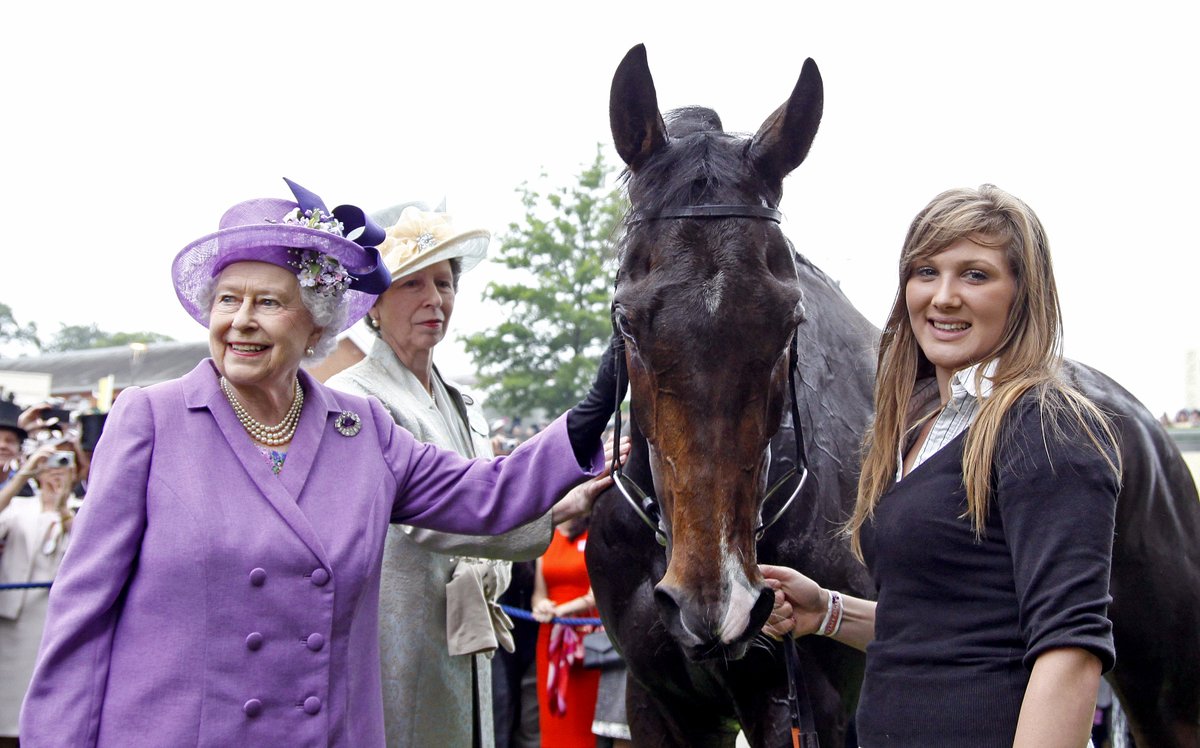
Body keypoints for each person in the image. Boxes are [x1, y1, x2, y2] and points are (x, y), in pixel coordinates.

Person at [18, 178, 623, 747]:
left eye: (269, 302)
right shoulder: (152, 420)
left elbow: (485, 496)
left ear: (316, 323)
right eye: (228, 299)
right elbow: (82, 617)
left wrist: (588, 415)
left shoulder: (363, 433)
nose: (241, 320)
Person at [763, 184, 1120, 747]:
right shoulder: (920, 431)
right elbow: (940, 627)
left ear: (1022, 294)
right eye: (925, 271)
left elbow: (1069, 649)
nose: (943, 296)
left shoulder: (1043, 427)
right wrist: (827, 612)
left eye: (975, 275)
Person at [326, 205, 624, 748]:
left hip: (465, 647)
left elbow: (487, 516)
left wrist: (567, 501)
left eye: (444, 282)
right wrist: (557, 505)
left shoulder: (465, 404)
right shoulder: (354, 399)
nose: (434, 299)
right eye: (412, 283)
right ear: (372, 305)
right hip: (394, 643)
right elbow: (442, 516)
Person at [0, 442, 76, 746]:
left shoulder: (82, 507)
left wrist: (62, 509)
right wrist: (21, 476)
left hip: (50, 621)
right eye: (49, 466)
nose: (54, 474)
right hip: (9, 621)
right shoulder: (18, 506)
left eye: (62, 466)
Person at [532, 515, 602, 748]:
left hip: (586, 638)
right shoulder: (546, 537)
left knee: (584, 720)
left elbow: (595, 596)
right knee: (553, 720)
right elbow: (539, 594)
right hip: (550, 640)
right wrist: (541, 605)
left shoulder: (595, 534)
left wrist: (561, 610)